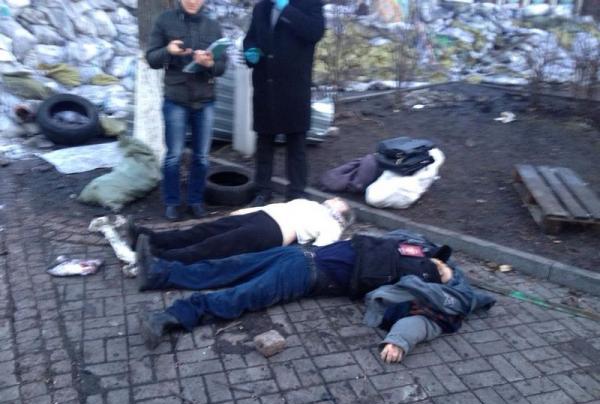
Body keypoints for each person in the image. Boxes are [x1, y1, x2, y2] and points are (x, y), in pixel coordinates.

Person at [136, 231, 494, 362]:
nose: (441, 266)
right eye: (441, 263)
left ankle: (172, 317)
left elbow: (430, 320)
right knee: (229, 266)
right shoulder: (417, 247)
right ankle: (160, 273)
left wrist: (399, 340)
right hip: (301, 252)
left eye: (444, 270)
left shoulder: (431, 288)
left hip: (306, 275)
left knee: (240, 295)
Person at [146, 0, 227, 221]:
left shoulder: (213, 26)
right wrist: (168, 51)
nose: (193, 1)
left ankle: (195, 201)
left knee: (201, 157)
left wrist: (210, 64)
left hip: (205, 100)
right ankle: (171, 202)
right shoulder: (165, 20)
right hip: (176, 99)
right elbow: (151, 59)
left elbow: (222, 67)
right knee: (173, 155)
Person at [243, 0, 325, 205]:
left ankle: (296, 193)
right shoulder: (262, 7)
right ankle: (263, 191)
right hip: (266, 85)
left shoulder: (310, 4)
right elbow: (251, 38)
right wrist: (250, 51)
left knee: (296, 142)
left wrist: (285, 9)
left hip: (293, 87)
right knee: (264, 142)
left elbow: (314, 32)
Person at [128, 197, 353, 264]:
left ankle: (157, 257)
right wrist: (244, 211)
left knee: (213, 246)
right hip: (260, 216)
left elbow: (320, 249)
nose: (332, 198)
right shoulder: (311, 203)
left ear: (341, 212)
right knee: (203, 230)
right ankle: (148, 237)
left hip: (273, 232)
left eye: (337, 200)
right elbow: (279, 206)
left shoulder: (334, 226)